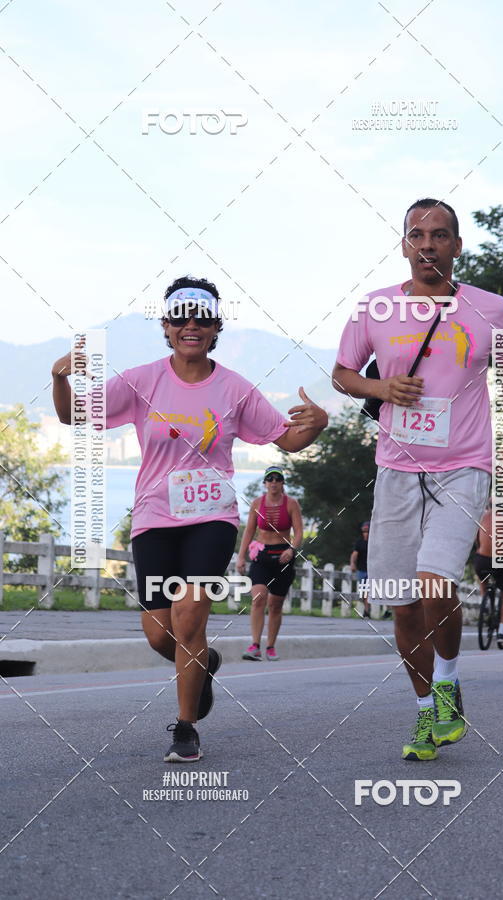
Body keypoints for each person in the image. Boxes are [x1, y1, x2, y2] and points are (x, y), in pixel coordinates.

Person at [51, 276, 327, 763]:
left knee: (189, 612)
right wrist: (60, 379)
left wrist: (317, 425)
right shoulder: (142, 381)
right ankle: (206, 662)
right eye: (181, 317)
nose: (191, 326)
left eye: (202, 317)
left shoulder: (236, 389)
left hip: (211, 518)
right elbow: (75, 415)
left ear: (217, 325)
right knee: (160, 633)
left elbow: (286, 439)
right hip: (155, 519)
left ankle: (185, 728)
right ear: (167, 326)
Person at [332, 198, 503, 761]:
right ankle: (423, 714)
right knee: (401, 602)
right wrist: (381, 389)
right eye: (417, 235)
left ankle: (448, 680)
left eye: (440, 235)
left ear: (458, 246)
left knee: (436, 582)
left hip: (464, 466)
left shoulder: (494, 310)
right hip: (395, 468)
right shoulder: (374, 309)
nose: (429, 244)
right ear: (405, 245)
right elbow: (342, 375)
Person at [236, 466, 303, 660]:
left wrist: (292, 550)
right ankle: (255, 645)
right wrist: (241, 556)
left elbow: (298, 532)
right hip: (262, 555)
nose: (273, 482)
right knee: (258, 598)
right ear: (265, 483)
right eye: (270, 479)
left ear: (282, 483)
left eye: (278, 479)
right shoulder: (257, 503)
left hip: (283, 556)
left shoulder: (291, 504)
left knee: (275, 604)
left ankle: (271, 646)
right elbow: (249, 531)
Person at [473, 500, 503, 647]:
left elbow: (477, 542)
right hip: (502, 561)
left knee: (482, 577)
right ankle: (502, 630)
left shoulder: (480, 518)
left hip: (482, 561)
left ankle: (485, 603)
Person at [350, 521, 372, 617]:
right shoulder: (359, 543)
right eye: (364, 531)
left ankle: (367, 610)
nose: (365, 533)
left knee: (368, 591)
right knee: (363, 592)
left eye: (367, 531)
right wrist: (352, 564)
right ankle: (367, 609)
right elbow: (354, 554)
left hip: (372, 571)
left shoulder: (374, 542)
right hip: (362, 570)